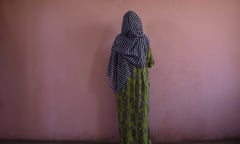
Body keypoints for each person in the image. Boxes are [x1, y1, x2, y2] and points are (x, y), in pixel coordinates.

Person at [107, 10, 154, 144]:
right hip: (141, 86)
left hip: (123, 86)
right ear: (138, 23)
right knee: (141, 114)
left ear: (124, 24)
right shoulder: (144, 40)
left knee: (126, 115)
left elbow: (113, 64)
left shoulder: (118, 41)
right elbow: (150, 61)